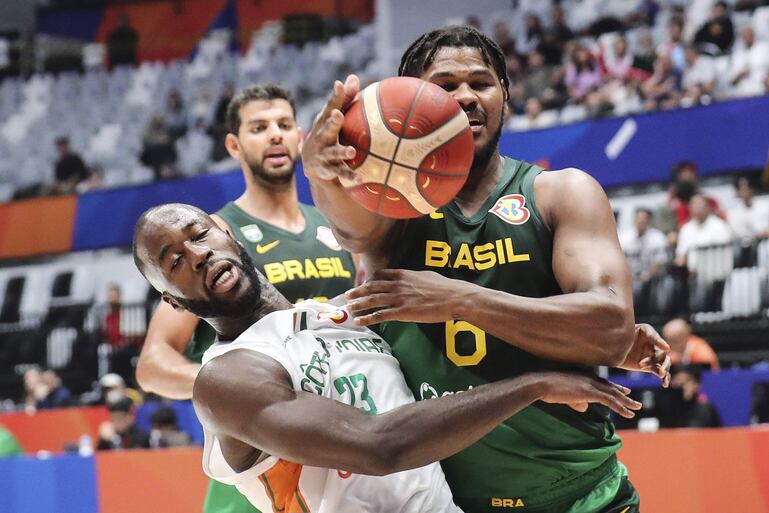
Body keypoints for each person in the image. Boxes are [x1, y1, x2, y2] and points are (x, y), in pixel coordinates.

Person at [302, 25, 670, 513]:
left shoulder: (561, 192)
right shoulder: (390, 210)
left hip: (577, 493)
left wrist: (458, 299)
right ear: (410, 98)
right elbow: (352, 228)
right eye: (445, 85)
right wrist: (321, 173)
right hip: (438, 501)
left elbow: (610, 329)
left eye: (481, 82)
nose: (466, 97)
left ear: (506, 98)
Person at [132, 203, 642, 512]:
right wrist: (535, 384)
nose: (196, 253)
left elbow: (461, 323)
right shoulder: (227, 378)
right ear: (173, 301)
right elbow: (379, 446)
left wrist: (605, 335)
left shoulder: (338, 314)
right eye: (174, 261)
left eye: (199, 235)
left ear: (229, 234)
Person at [135, 83, 356, 513]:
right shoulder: (210, 239)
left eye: (284, 124)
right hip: (256, 466)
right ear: (235, 145)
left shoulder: (335, 228)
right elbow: (151, 365)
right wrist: (234, 391)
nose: (275, 134)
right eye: (259, 127)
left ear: (300, 138)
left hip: (334, 453)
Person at [674, 193, 733, 271]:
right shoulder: (686, 228)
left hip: (716, 271)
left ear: (708, 207)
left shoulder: (719, 225)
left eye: (700, 206)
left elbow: (723, 252)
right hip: (693, 274)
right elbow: (681, 254)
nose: (697, 210)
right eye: (694, 206)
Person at [727, 175, 769, 241]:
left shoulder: (765, 206)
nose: (744, 191)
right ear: (737, 192)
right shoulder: (733, 213)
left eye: (746, 188)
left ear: (752, 189)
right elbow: (736, 233)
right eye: (741, 189)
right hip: (746, 247)